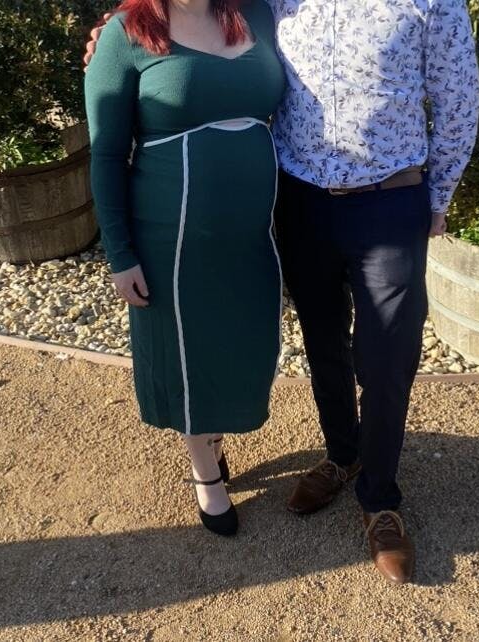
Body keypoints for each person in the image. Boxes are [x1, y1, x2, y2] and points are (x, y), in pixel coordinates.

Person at [87, 0, 479, 582]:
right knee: (323, 341)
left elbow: (458, 103)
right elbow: (181, 43)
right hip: (300, 200)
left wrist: (439, 196)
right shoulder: (275, 3)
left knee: (388, 353)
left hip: (389, 198)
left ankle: (380, 498)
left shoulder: (432, 3)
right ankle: (342, 454)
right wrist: (113, 36)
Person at [84, 0, 286, 537]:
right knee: (187, 348)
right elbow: (106, 154)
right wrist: (120, 253)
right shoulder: (127, 33)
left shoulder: (256, 13)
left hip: (251, 234)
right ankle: (206, 472)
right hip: (170, 236)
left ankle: (214, 435)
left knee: (239, 341)